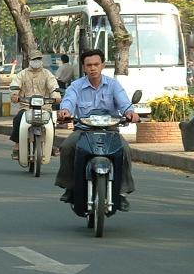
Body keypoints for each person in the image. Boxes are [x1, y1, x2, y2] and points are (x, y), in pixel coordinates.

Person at [55, 49, 140, 207]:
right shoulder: (76, 86)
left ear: (103, 65)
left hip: (110, 131)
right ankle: (70, 187)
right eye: (89, 65)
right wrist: (65, 111)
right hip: (83, 131)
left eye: (96, 64)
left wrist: (130, 113)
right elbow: (68, 100)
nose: (92, 68)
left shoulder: (113, 85)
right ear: (84, 67)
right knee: (66, 147)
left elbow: (124, 102)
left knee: (125, 150)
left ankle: (121, 191)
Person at [9, 50, 60, 159]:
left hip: (44, 108)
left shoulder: (47, 74)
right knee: (18, 119)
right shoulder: (22, 74)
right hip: (26, 107)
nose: (36, 61)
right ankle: (17, 146)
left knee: (50, 122)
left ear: (41, 60)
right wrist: (14, 94)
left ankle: (50, 145)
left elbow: (53, 86)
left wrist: (56, 96)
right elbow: (15, 85)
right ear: (30, 61)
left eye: (38, 59)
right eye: (34, 59)